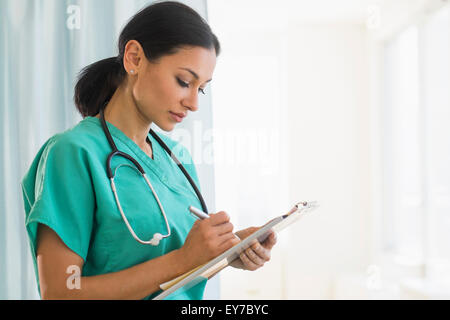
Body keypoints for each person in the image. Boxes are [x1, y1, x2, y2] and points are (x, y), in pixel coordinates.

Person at [21, 1, 277, 300]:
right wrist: (183, 260)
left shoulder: (177, 159)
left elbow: (176, 275)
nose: (194, 103)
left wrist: (223, 252)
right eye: (184, 81)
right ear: (135, 58)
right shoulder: (73, 154)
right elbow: (62, 291)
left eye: (202, 88)